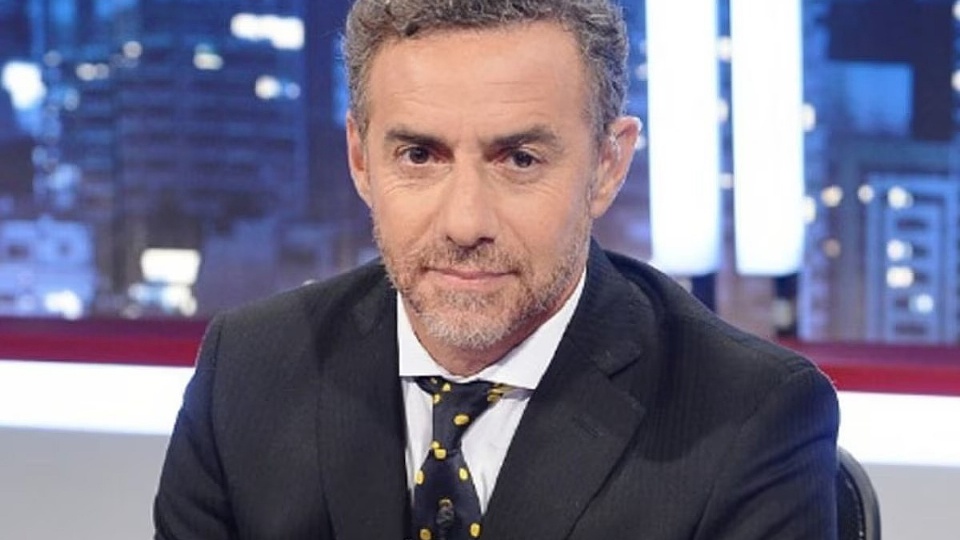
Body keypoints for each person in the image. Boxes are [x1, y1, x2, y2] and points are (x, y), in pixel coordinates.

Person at [153, 0, 839, 538]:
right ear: (361, 160)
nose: (465, 223)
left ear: (608, 165)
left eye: (519, 160)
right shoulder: (248, 371)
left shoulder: (746, 416)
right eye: (419, 156)